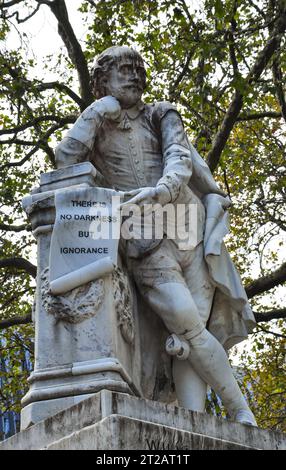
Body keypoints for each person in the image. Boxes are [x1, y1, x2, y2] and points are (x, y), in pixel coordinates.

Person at [55, 45, 257, 426]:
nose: (134, 76)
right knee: (188, 326)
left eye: (137, 69)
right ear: (101, 82)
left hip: (189, 229)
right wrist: (97, 112)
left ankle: (194, 421)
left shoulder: (160, 113)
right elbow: (64, 161)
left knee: (185, 341)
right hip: (144, 242)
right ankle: (239, 409)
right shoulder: (96, 124)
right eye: (123, 70)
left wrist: (162, 190)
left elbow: (178, 157)